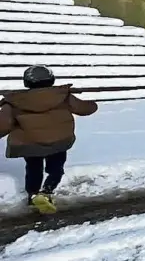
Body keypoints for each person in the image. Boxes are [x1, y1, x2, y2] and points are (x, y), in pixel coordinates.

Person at [0, 65, 98, 213]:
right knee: (56, 169)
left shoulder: (14, 101)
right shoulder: (62, 96)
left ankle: (33, 194)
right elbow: (84, 109)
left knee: (33, 169)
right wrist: (93, 105)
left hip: (30, 143)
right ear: (51, 80)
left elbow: (4, 124)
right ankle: (47, 191)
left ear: (27, 82)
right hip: (58, 141)